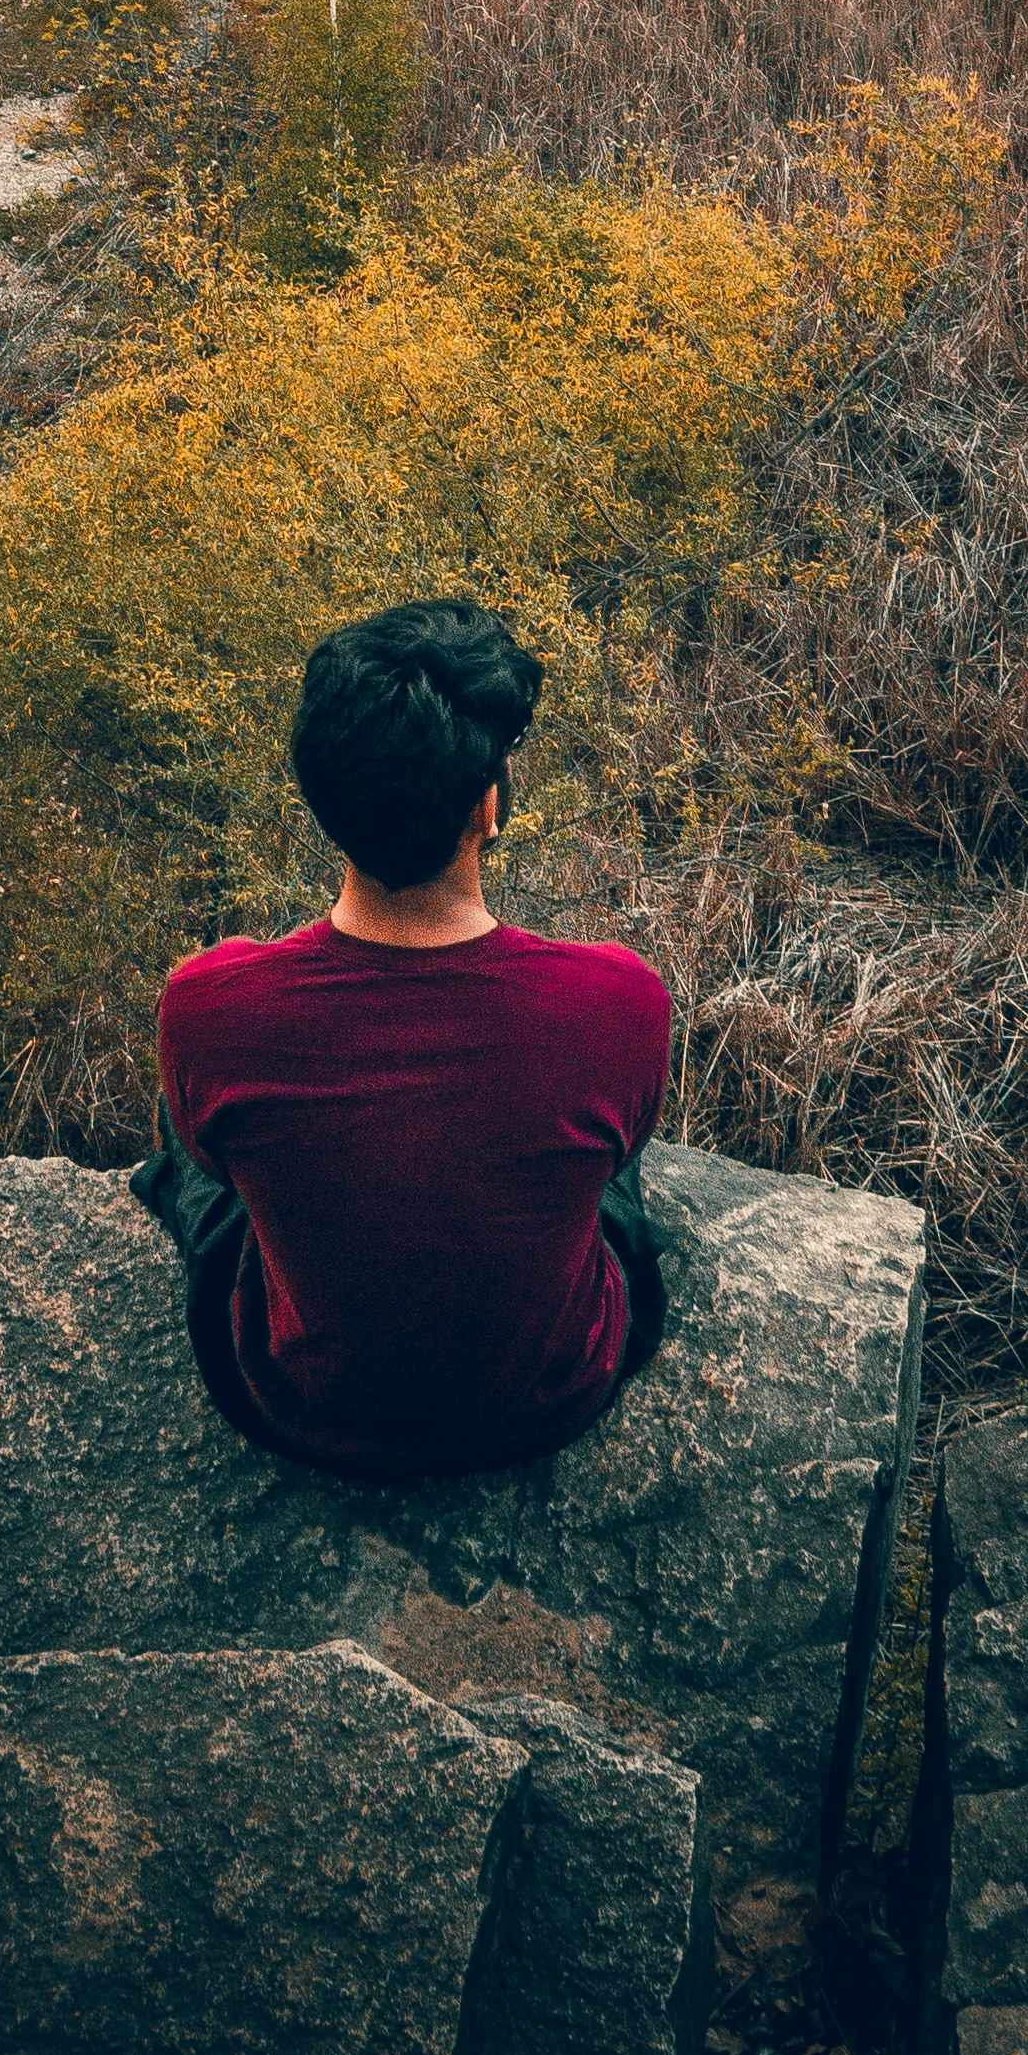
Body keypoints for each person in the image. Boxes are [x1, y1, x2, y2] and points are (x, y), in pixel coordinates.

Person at [138, 592, 673, 1482]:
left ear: (322, 798)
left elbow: (216, 1155)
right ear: (487, 807)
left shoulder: (209, 1003)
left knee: (191, 1144)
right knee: (609, 1169)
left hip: (302, 1407)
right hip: (547, 1400)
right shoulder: (615, 999)